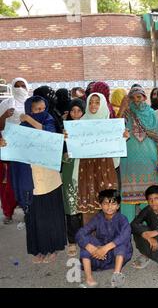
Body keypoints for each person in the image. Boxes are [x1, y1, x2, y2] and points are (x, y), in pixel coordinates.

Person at [6, 96, 67, 264]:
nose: (41, 112)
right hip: (31, 179)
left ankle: (53, 247)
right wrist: (5, 143)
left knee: (51, 215)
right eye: (36, 109)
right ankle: (38, 249)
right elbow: (11, 151)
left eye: (42, 108)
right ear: (28, 109)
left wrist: (30, 119)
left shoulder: (50, 122)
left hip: (50, 178)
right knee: (35, 217)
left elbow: (48, 134)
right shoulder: (20, 128)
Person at [73, 93, 124, 225]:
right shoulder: (81, 123)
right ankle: (92, 238)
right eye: (90, 102)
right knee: (89, 198)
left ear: (102, 105)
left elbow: (116, 145)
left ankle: (110, 236)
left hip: (105, 167)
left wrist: (123, 137)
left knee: (108, 199)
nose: (93, 105)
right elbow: (77, 146)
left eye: (97, 102)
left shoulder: (110, 124)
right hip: (87, 167)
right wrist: (69, 137)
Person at [119, 87, 158, 222]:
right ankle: (127, 226)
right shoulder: (127, 113)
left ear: (145, 98)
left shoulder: (151, 114)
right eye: (133, 97)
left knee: (149, 193)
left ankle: (147, 225)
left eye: (139, 97)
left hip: (149, 160)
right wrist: (122, 107)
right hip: (129, 161)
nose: (137, 100)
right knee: (127, 194)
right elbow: (116, 127)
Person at [76, 189, 132, 288]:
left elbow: (126, 235)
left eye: (113, 203)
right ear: (100, 205)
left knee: (122, 242)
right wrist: (91, 247)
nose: (109, 207)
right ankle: (89, 279)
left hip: (117, 257)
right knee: (86, 240)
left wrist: (106, 248)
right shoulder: (98, 218)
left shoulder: (122, 219)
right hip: (99, 255)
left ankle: (116, 275)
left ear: (118, 206)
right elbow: (80, 233)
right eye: (106, 203)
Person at [0, 77, 29, 224]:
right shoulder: (6, 103)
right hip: (10, 148)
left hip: (28, 149)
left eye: (22, 85)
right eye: (16, 86)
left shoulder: (32, 103)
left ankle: (27, 209)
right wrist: (5, 116)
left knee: (26, 181)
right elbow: (0, 126)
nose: (19, 88)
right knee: (9, 182)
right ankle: (8, 212)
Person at [61, 98, 85, 257]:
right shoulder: (62, 129)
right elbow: (57, 154)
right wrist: (62, 141)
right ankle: (72, 241)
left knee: (86, 206)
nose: (75, 114)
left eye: (79, 111)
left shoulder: (90, 128)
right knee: (71, 207)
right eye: (72, 111)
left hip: (86, 171)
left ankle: (85, 238)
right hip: (70, 172)